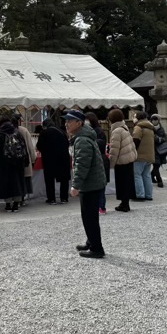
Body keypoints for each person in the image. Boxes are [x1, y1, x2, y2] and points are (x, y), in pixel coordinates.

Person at [65, 110, 106, 259]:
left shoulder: (82, 139)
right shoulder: (83, 136)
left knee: (89, 217)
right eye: (66, 121)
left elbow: (82, 164)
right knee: (89, 216)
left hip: (90, 184)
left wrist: (75, 185)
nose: (66, 124)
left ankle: (97, 248)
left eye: (70, 121)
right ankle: (91, 241)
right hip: (93, 182)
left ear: (79, 123)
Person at [0, 115, 25, 212]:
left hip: (5, 163)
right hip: (17, 162)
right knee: (17, 182)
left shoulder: (0, 134)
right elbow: (23, 148)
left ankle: (8, 204)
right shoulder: (17, 132)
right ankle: (16, 204)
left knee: (5, 183)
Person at [107, 109, 136, 213]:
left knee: (122, 183)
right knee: (127, 182)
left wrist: (111, 163)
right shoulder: (124, 128)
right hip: (129, 158)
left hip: (122, 160)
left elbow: (114, 149)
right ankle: (125, 203)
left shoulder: (116, 131)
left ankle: (124, 204)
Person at [36, 118, 71, 205]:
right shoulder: (62, 132)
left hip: (49, 159)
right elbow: (67, 144)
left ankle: (51, 199)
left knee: (49, 179)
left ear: (45, 125)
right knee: (64, 179)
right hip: (63, 158)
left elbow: (39, 146)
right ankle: (64, 198)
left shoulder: (44, 133)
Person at [85, 112, 110, 215]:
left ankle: (101, 206)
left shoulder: (98, 131)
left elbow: (101, 144)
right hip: (96, 159)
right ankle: (97, 206)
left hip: (100, 160)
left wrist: (90, 142)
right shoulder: (88, 130)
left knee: (100, 186)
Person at [13, 114, 37, 207]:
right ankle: (22, 199)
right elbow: (31, 147)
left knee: (16, 180)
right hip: (24, 159)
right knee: (24, 180)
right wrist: (33, 158)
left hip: (13, 160)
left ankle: (16, 199)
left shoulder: (7, 131)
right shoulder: (24, 130)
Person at [132, 111, 155, 201]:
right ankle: (149, 195)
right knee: (146, 175)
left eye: (134, 117)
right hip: (149, 155)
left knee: (137, 175)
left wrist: (133, 152)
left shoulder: (138, 127)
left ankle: (140, 194)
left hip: (140, 155)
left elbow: (136, 141)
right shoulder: (150, 127)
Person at [150, 114, 167, 188]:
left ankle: (151, 176)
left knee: (158, 165)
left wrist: (159, 139)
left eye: (156, 119)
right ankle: (160, 181)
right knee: (156, 165)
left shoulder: (161, 128)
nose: (154, 121)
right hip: (152, 149)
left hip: (161, 149)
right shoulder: (150, 128)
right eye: (153, 119)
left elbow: (165, 138)